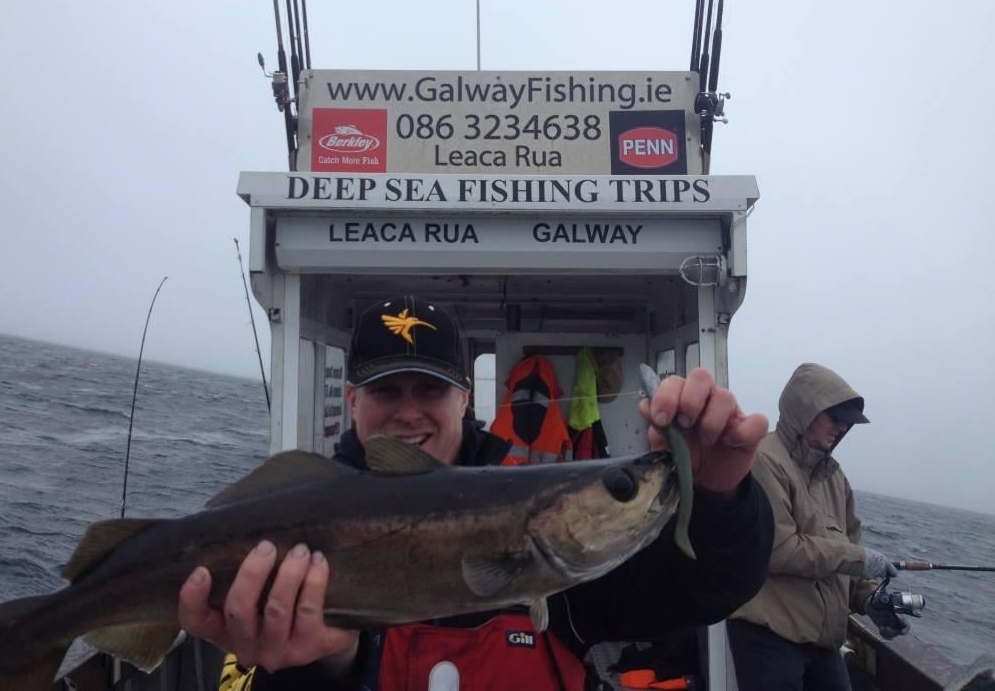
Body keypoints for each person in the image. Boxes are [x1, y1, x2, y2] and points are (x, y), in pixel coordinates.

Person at [179, 295, 775, 690]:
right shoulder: (291, 520)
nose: (408, 413)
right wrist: (323, 665)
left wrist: (720, 494)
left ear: (465, 400)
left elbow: (708, 586)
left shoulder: (559, 561)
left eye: (429, 390)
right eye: (387, 391)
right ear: (353, 402)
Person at [727, 362, 910, 691]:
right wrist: (858, 558)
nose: (840, 427)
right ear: (805, 410)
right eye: (834, 417)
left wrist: (870, 600)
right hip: (768, 638)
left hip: (822, 643)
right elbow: (779, 549)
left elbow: (848, 551)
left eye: (846, 423)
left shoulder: (835, 478)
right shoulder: (763, 461)